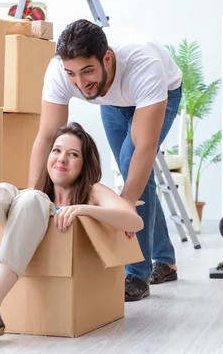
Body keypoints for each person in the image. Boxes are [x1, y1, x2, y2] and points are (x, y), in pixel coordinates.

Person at [0, 122, 143, 349]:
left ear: (84, 165)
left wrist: (83, 210)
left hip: (66, 268)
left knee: (30, 199)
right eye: (56, 150)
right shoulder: (37, 196)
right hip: (29, 202)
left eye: (73, 154)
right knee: (15, 194)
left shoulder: (94, 192)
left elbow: (135, 221)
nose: (61, 158)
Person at [28, 19, 183, 302]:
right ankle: (165, 259)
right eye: (72, 74)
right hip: (112, 101)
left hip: (161, 92)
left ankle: (136, 272)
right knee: (135, 174)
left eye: (88, 71)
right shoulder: (60, 72)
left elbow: (144, 148)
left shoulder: (144, 64)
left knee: (130, 162)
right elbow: (46, 137)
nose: (80, 83)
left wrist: (123, 216)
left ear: (107, 58)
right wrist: (33, 199)